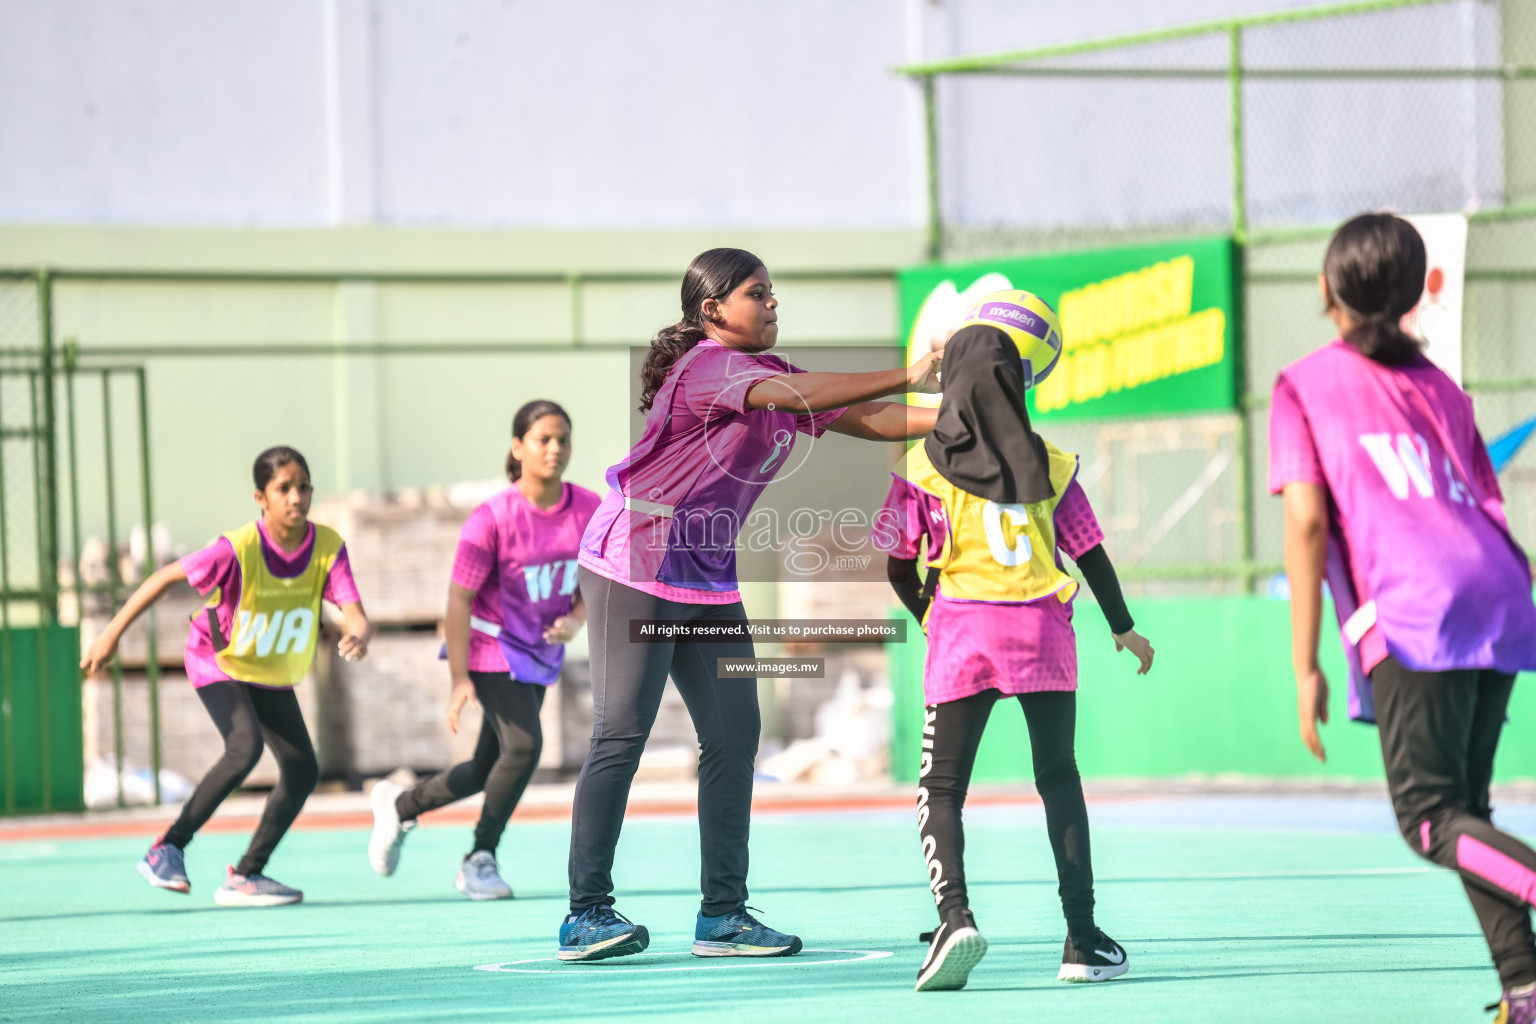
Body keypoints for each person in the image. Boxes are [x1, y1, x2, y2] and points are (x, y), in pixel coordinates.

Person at [559, 246, 942, 962]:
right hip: (634, 560)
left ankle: (723, 917)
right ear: (713, 312)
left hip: (705, 572)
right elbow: (819, 395)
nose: (772, 303)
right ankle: (586, 914)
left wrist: (954, 412)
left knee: (736, 737)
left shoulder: (774, 377)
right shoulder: (708, 367)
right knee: (622, 733)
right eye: (757, 293)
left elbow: (874, 417)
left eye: (773, 293)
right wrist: (911, 367)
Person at [1270, 213, 1536, 1024]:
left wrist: (1305, 662)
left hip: (1419, 609)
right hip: (1498, 592)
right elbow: (1483, 499)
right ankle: (1525, 990)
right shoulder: (1444, 390)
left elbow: (1308, 523)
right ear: (1420, 290)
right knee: (1467, 815)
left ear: (1325, 289)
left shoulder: (1304, 385)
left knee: (1426, 820)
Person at [874, 295, 1154, 992]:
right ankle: (1082, 940)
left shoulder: (921, 467)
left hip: (965, 632)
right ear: (1014, 381)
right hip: (1043, 634)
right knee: (1058, 778)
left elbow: (896, 565)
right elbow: (1090, 554)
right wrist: (1123, 627)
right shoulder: (1052, 464)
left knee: (942, 788)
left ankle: (955, 917)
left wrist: (925, 615)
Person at [82, 446, 370, 906]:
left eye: (303, 487)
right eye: (283, 489)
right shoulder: (236, 548)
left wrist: (358, 633)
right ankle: (167, 848)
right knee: (245, 746)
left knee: (302, 769)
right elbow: (162, 578)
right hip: (216, 659)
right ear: (262, 497)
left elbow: (354, 612)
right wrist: (110, 635)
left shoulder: (328, 547)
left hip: (266, 667)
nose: (296, 497)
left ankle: (247, 874)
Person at [368, 400, 600, 899]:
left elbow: (596, 580)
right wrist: (458, 678)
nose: (555, 448)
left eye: (563, 439)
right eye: (543, 439)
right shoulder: (492, 518)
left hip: (537, 652)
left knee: (484, 767)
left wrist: (575, 619)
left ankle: (400, 806)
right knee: (525, 747)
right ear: (518, 447)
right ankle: (480, 857)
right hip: (490, 645)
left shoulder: (587, 509)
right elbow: (458, 598)